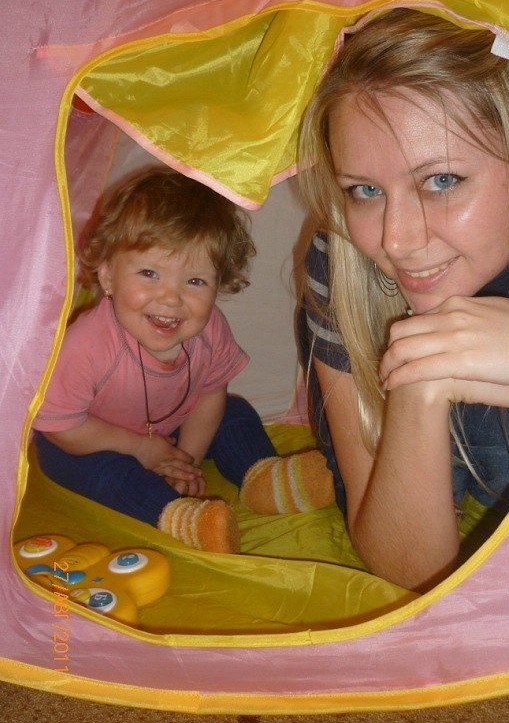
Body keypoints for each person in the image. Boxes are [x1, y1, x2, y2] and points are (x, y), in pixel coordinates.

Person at [297, 8, 509, 591]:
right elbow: (410, 571)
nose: (395, 241)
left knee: (507, 456)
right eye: (364, 190)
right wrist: (419, 384)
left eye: (441, 180)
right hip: (396, 408)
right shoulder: (344, 261)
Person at [34, 169, 334, 554]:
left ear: (219, 283)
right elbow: (60, 424)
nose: (171, 298)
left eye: (194, 281)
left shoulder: (210, 331)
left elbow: (209, 396)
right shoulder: (87, 347)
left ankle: (263, 477)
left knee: (233, 411)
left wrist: (185, 462)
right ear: (108, 276)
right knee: (98, 470)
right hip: (90, 440)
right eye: (149, 273)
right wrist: (141, 449)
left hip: (169, 433)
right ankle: (177, 516)